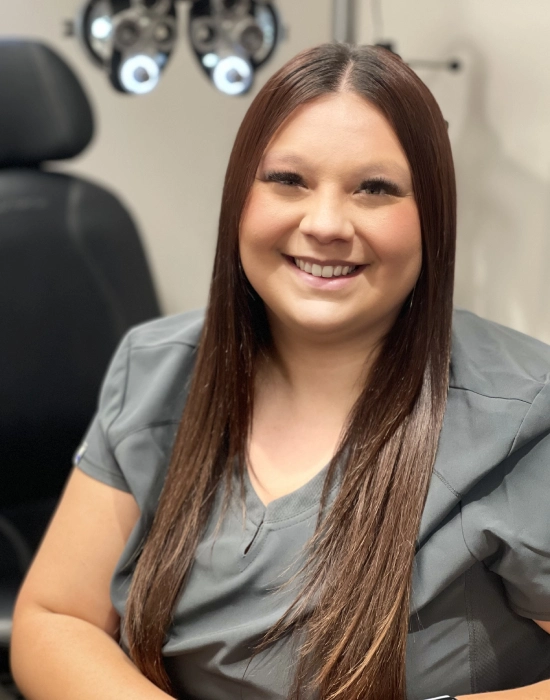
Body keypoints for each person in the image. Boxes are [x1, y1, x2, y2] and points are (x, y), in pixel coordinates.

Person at [10, 43, 550, 700]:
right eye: (288, 180)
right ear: (240, 196)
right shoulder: (157, 371)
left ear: (431, 216)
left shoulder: (522, 413)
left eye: (375, 188)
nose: (324, 224)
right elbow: (55, 617)